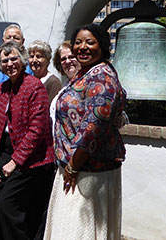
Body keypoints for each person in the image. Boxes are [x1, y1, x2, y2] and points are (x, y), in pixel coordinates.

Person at [44, 24, 126, 240]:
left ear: (103, 46)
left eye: (90, 42)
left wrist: (73, 166)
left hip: (88, 171)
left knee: (77, 231)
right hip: (76, 168)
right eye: (78, 42)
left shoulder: (101, 78)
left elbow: (94, 126)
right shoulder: (86, 74)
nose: (82, 47)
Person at [0, 41, 55, 240]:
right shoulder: (2, 89)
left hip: (33, 158)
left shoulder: (34, 87)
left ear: (22, 60)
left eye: (14, 58)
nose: (10, 63)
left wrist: (15, 162)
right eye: (5, 60)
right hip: (6, 151)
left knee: (8, 205)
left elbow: (37, 130)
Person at [49, 41, 81, 123]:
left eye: (71, 57)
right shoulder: (65, 85)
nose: (67, 61)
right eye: (63, 59)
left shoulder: (86, 82)